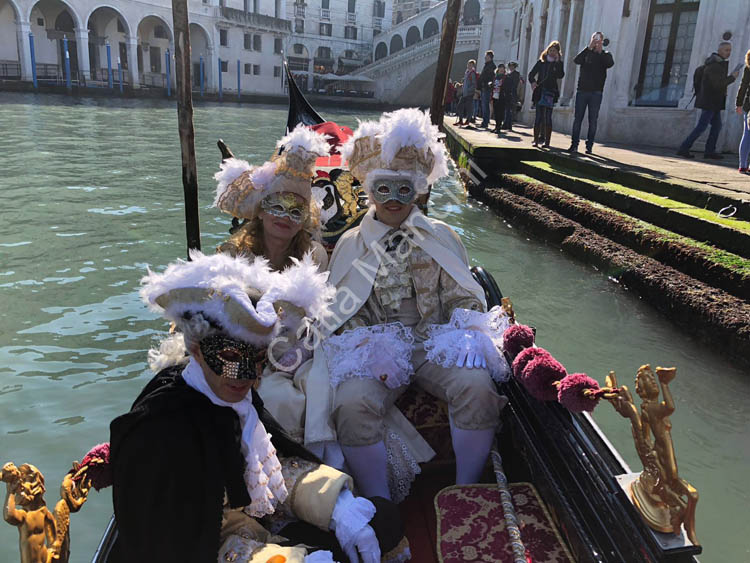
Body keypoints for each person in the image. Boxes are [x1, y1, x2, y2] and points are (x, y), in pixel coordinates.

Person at [109, 251, 409, 562]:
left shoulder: (235, 397)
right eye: (229, 358)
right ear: (196, 350)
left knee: (379, 520)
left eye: (257, 360)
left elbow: (272, 466)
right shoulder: (161, 427)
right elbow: (185, 542)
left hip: (256, 525)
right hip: (214, 548)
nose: (247, 376)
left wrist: (338, 507)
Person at [302, 108, 510, 502]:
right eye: (384, 189)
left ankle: (464, 492)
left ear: (415, 190)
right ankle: (380, 502)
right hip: (375, 347)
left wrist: (464, 331)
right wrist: (366, 344)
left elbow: (464, 292)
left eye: (403, 190)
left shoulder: (441, 236)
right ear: (371, 192)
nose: (394, 200)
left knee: (477, 386)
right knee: (350, 402)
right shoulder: (349, 244)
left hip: (435, 342)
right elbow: (340, 311)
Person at [214, 123, 333, 272]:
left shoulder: (316, 257)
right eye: (277, 207)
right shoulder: (232, 255)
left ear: (303, 221)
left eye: (296, 212)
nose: (285, 217)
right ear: (261, 212)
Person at [677, 41, 740, 159]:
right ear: (720, 50)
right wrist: (732, 78)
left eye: (730, 50)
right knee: (702, 126)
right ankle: (684, 148)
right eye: (726, 50)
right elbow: (717, 85)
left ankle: (709, 151)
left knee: (716, 126)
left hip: (714, 102)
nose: (729, 53)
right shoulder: (715, 66)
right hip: (710, 102)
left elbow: (717, 84)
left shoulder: (718, 64)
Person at [568, 31, 615, 154]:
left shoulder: (605, 54)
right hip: (582, 91)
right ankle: (574, 145)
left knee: (593, 120)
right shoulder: (586, 53)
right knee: (577, 119)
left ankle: (589, 146)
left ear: (602, 41)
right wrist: (588, 48)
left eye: (598, 39)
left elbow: (610, 64)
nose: (596, 41)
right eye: (594, 39)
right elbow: (576, 60)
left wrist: (600, 51)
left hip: (596, 92)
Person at [529, 40, 565, 148]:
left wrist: (558, 62)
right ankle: (536, 140)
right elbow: (531, 74)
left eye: (554, 51)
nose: (552, 52)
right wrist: (533, 82)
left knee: (548, 117)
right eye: (551, 50)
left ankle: (547, 142)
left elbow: (560, 75)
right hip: (540, 91)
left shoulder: (557, 64)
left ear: (557, 53)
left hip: (550, 92)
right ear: (547, 50)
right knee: (538, 117)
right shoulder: (541, 62)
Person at [736, 48, 750, 174]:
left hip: (748, 105)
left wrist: (739, 104)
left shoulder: (748, 67)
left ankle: (743, 165)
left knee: (746, 134)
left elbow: (743, 86)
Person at [454, 60, 477, 126]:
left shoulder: (472, 73)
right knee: (460, 106)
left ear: (473, 66)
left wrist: (469, 90)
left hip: (469, 93)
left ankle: (467, 120)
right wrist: (462, 86)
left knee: (468, 107)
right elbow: (465, 83)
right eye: (468, 64)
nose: (469, 66)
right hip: (464, 93)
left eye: (470, 65)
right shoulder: (466, 72)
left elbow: (473, 84)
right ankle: (460, 120)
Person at [479, 50, 497, 128]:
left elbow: (489, 77)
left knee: (485, 105)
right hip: (485, 87)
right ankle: (485, 121)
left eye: (486, 56)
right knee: (484, 105)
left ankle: (485, 122)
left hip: (487, 87)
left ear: (489, 57)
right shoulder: (487, 65)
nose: (485, 58)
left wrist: (485, 83)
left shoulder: (491, 66)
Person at [502, 61, 521, 130]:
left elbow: (514, 84)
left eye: (512, 66)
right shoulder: (508, 74)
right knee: (507, 109)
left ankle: (507, 124)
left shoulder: (516, 74)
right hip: (507, 93)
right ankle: (507, 124)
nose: (511, 67)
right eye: (510, 66)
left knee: (509, 110)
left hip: (512, 93)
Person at [492, 64, 507, 135]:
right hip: (495, 95)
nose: (501, 69)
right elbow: (493, 85)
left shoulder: (506, 77)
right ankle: (496, 125)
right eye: (500, 68)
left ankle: (498, 127)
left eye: (502, 68)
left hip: (502, 97)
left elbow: (508, 87)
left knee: (500, 112)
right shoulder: (495, 77)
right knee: (495, 112)